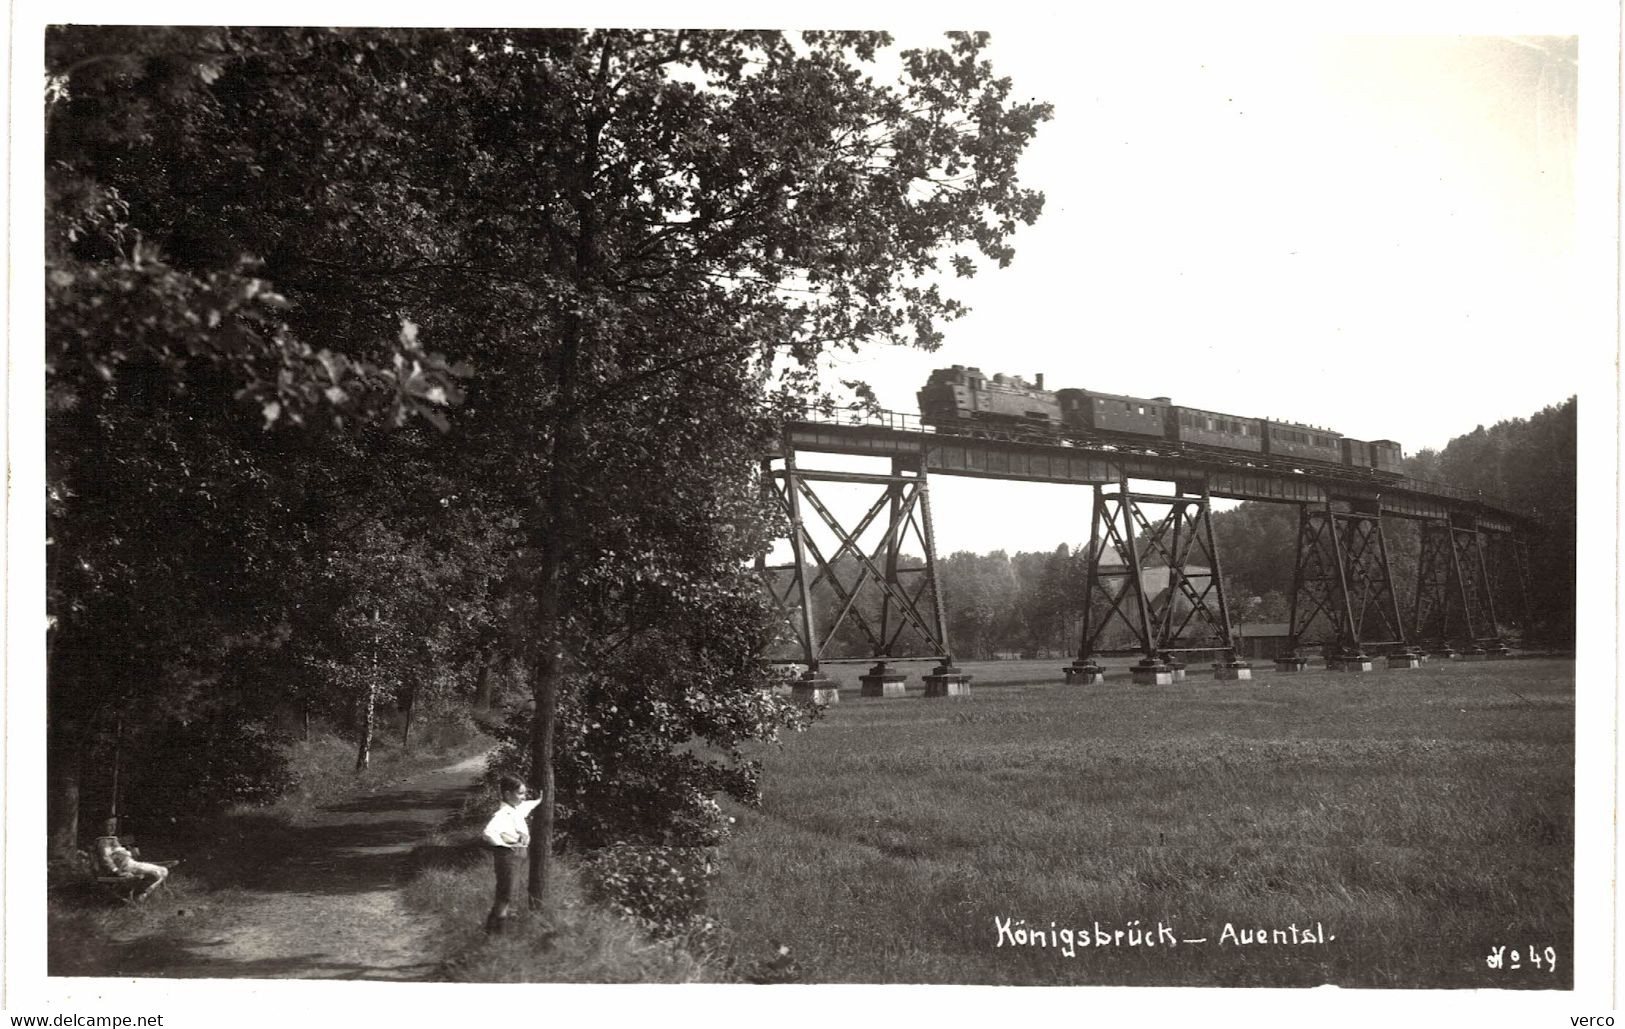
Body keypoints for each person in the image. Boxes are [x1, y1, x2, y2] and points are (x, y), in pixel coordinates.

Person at [481, 775, 543, 934]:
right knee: (507, 893)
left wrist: (540, 799)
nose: (524, 797)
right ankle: (498, 932)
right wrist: (506, 845)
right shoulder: (503, 814)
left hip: (517, 854)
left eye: (524, 793)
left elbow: (526, 806)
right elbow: (488, 832)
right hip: (509, 855)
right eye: (520, 793)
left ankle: (491, 930)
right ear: (508, 795)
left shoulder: (516, 808)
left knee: (506, 891)